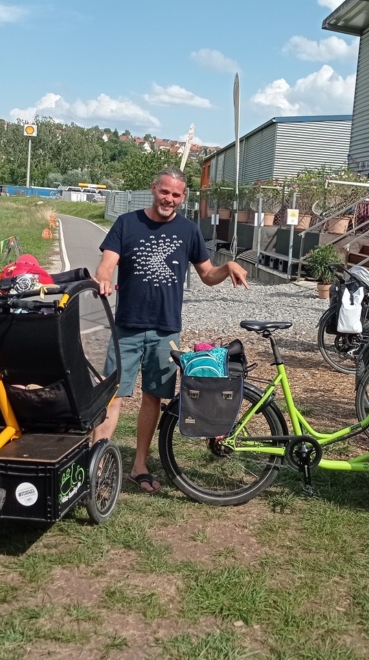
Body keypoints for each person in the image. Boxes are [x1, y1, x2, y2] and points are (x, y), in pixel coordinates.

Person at [92, 166, 248, 493]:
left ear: (183, 197)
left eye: (176, 194)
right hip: (127, 329)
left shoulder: (189, 231)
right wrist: (104, 276)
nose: (169, 199)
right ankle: (99, 464)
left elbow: (207, 274)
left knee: (154, 398)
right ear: (154, 188)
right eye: (165, 192)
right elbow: (108, 262)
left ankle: (139, 465)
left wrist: (228, 266)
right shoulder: (127, 223)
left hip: (166, 331)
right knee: (112, 398)